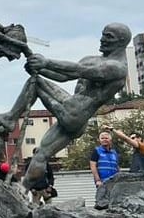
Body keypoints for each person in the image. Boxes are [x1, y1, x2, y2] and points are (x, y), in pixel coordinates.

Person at [17, 23, 131, 189]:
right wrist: (39, 68)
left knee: (35, 85)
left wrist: (46, 62)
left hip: (74, 113)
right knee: (40, 155)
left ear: (121, 41)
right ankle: (23, 189)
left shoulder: (117, 68)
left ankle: (9, 117)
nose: (102, 39)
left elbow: (77, 70)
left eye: (108, 37)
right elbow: (64, 76)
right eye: (103, 34)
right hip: (74, 112)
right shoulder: (91, 60)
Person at [89, 130, 121, 206]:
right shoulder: (97, 151)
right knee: (102, 201)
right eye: (102, 138)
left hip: (114, 181)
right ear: (99, 140)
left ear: (110, 139)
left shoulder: (114, 152)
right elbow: (93, 166)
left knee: (115, 201)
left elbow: (117, 166)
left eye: (106, 138)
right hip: (102, 181)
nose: (104, 140)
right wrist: (97, 180)